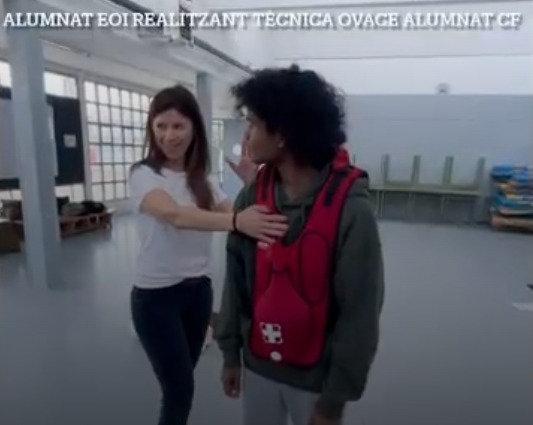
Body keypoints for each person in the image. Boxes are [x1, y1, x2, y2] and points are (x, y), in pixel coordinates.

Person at [215, 65, 385, 425]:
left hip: (316, 380)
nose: (247, 135)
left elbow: (360, 313)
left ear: (282, 135)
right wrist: (230, 353)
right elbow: (236, 282)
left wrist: (335, 399)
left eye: (253, 124)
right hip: (259, 364)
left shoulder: (351, 210)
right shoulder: (252, 198)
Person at [128, 84, 288, 425]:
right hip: (155, 298)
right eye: (161, 126)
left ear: (194, 129)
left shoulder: (202, 179)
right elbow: (174, 215)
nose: (169, 135)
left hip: (198, 293)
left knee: (183, 381)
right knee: (179, 389)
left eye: (178, 126)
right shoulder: (143, 174)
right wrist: (235, 221)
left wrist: (252, 183)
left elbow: (241, 214)